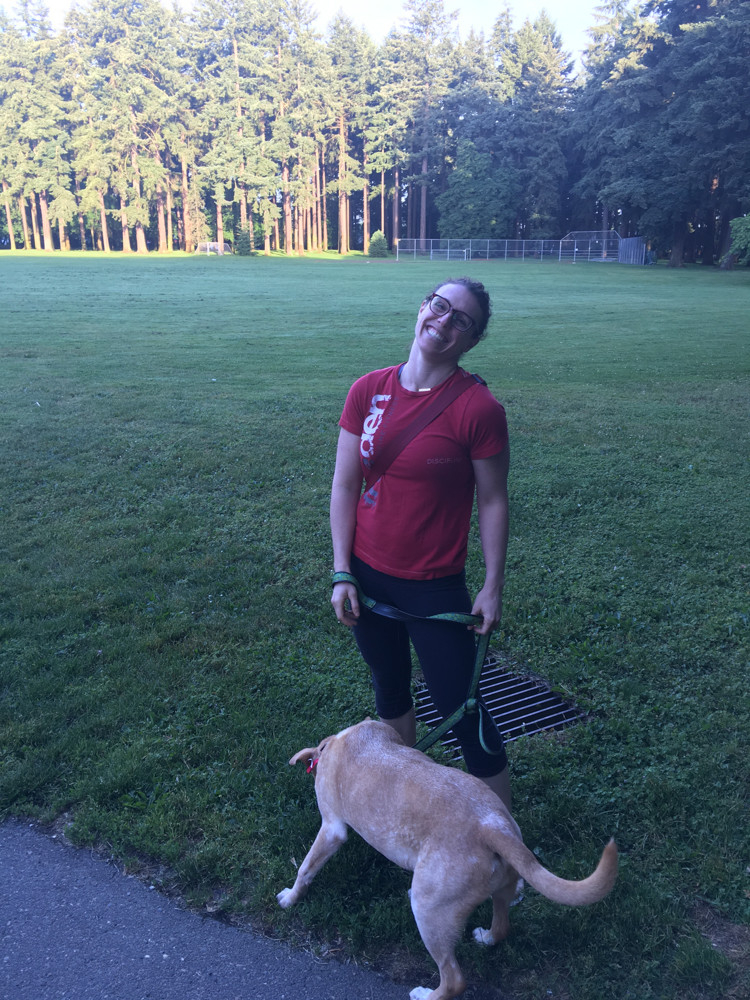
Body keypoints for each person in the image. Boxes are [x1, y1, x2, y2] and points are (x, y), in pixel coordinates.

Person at [329, 277, 512, 809]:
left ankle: (504, 841)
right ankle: (404, 808)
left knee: (464, 711)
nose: (444, 321)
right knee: (389, 687)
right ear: (423, 307)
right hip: (367, 575)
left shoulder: (478, 409)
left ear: (471, 340)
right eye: (440, 306)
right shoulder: (367, 390)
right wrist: (342, 570)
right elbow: (345, 485)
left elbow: (493, 499)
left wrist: (492, 585)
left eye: (462, 320)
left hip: (434, 587)